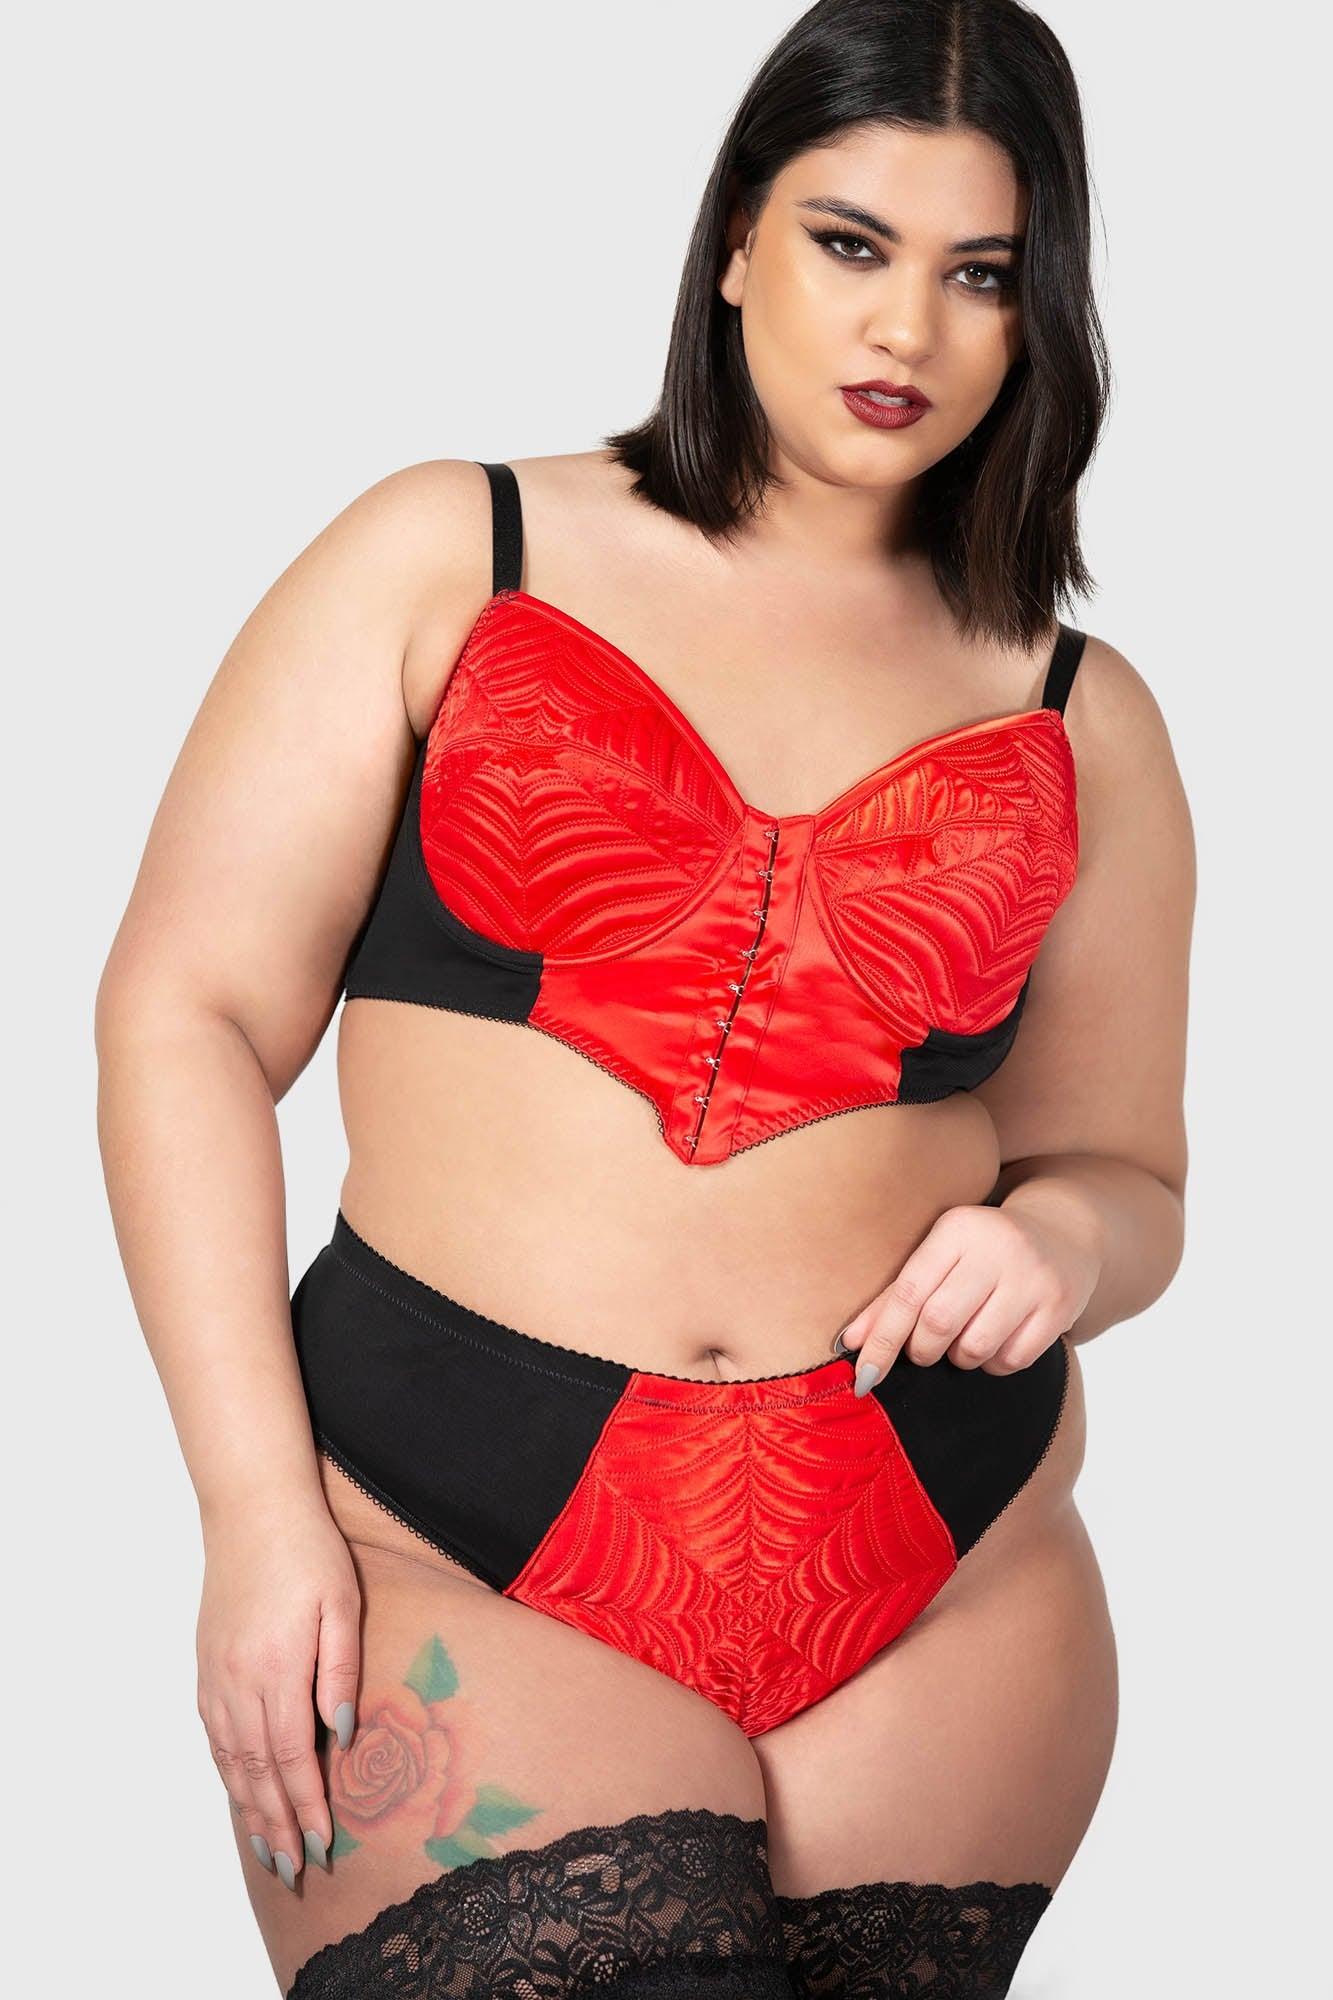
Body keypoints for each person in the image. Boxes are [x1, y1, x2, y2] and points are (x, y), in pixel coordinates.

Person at [94, 1, 1194, 1993]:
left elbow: (1127, 1177)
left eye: (980, 274)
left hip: (940, 1570)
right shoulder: (456, 551)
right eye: (849, 242)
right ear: (735, 240)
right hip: (440, 1532)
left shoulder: (1075, 709)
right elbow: (186, 1018)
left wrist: (1063, 1240)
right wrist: (254, 1515)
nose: (906, 329)